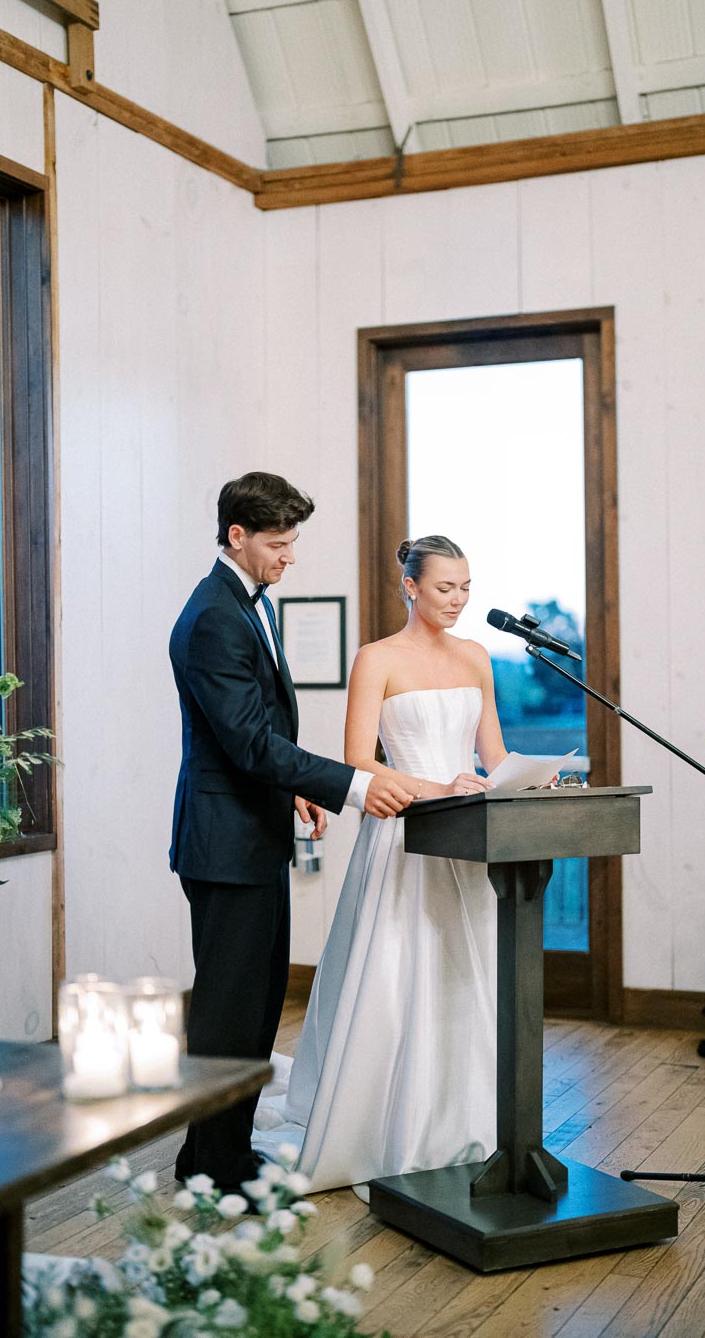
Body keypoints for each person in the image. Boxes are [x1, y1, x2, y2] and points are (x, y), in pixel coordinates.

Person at [169, 472, 413, 1192]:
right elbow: (247, 743)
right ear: (237, 536)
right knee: (227, 1018)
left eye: (294, 540)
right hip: (224, 842)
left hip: (253, 830)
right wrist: (350, 784)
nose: (291, 556)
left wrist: (294, 794)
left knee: (255, 1008)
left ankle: (225, 1153)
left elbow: (260, 732)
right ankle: (209, 1169)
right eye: (279, 543)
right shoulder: (214, 616)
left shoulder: (251, 604)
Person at [254, 534, 509, 1193]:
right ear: (411, 587)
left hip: (466, 834)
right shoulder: (377, 659)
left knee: (463, 971)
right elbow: (359, 762)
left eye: (466, 588)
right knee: (400, 972)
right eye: (445, 587)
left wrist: (524, 782)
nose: (457, 600)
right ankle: (391, 1118)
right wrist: (436, 788)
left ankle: (468, 1118)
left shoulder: (477, 656)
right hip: (400, 830)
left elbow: (494, 757)